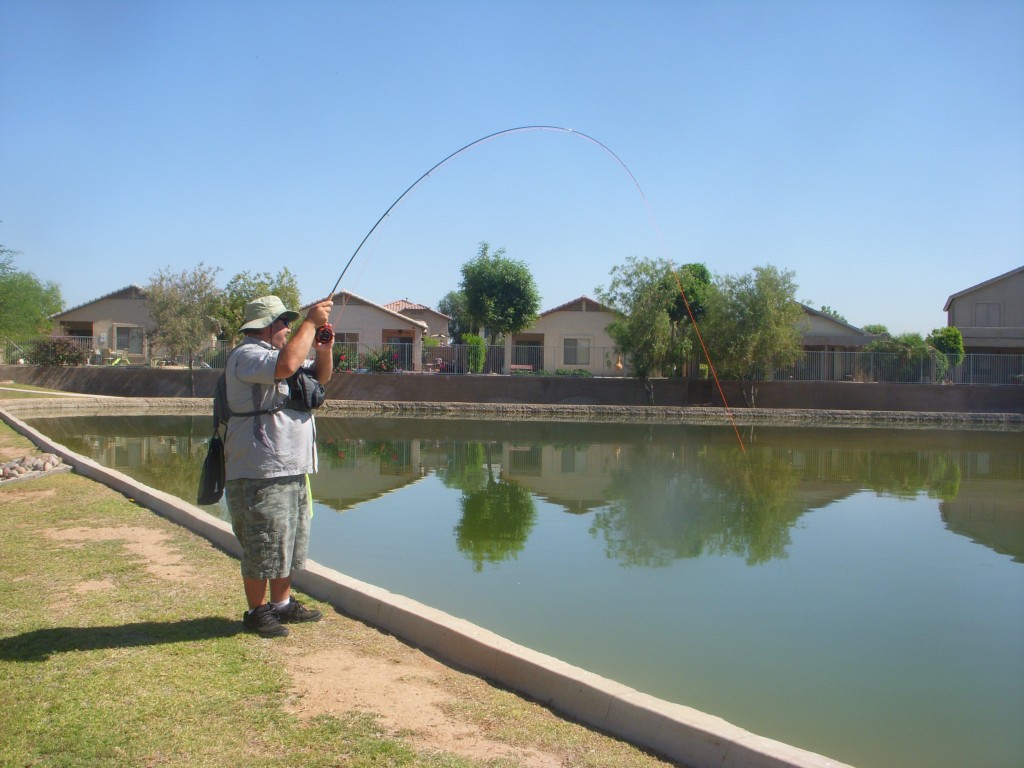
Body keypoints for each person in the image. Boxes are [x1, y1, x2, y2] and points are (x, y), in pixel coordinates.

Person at [224, 294, 334, 638]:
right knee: (263, 543)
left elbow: (321, 379)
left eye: (289, 323)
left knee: (286, 542)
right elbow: (286, 366)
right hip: (259, 471)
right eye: (283, 323)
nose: (287, 329)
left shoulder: (277, 355)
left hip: (290, 469)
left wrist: (322, 347)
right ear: (265, 326)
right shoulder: (248, 355)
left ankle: (282, 604)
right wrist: (310, 323)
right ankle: (257, 612)